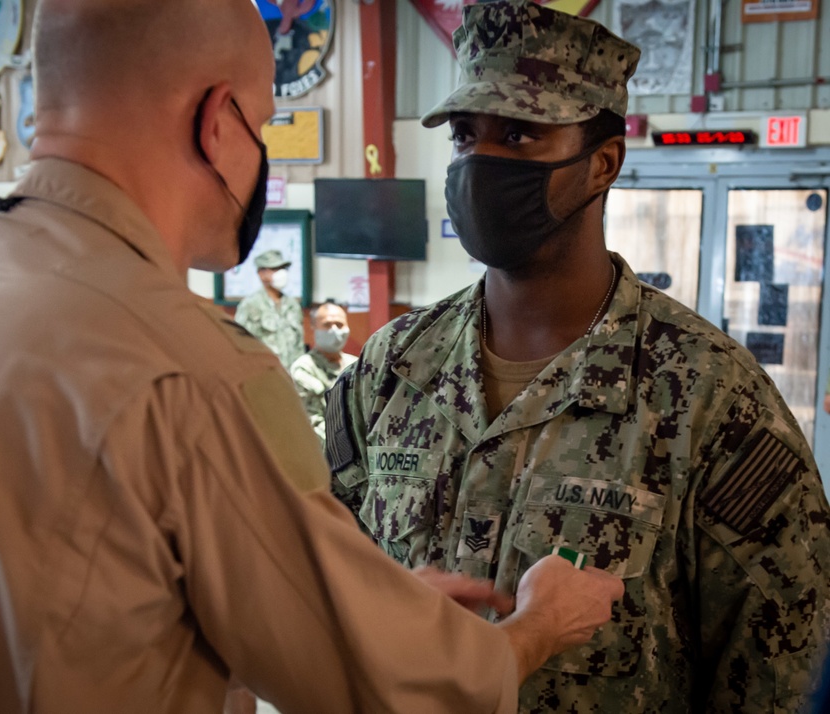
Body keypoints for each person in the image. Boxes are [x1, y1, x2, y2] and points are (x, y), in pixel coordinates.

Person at [0, 1, 626, 713]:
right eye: (267, 127)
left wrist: (363, 607)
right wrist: (532, 630)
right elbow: (386, 692)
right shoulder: (191, 372)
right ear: (218, 122)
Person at [326, 2, 830, 712]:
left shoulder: (710, 399)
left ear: (602, 163)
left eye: (520, 134)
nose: (482, 163)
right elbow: (317, 591)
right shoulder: (392, 370)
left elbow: (779, 676)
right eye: (467, 135)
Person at [290, 300, 357, 445]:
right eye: (327, 325)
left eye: (339, 325)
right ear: (313, 327)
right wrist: (350, 447)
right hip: (326, 455)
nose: (334, 330)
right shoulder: (304, 368)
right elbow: (310, 422)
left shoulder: (357, 365)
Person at [234, 248, 304, 370]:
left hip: (291, 377)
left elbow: (299, 345)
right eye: (275, 269)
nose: (281, 273)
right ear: (261, 274)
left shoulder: (293, 305)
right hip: (263, 375)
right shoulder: (250, 305)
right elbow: (239, 343)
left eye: (283, 268)